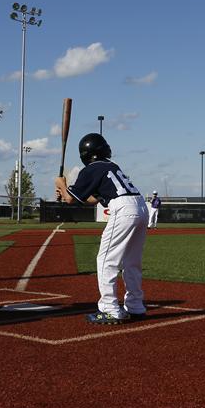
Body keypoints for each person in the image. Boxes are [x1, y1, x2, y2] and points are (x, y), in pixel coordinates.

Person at [54, 133, 149, 324]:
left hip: (123, 210)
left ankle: (109, 309)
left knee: (106, 260)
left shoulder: (91, 169)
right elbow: (91, 199)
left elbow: (72, 199)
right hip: (141, 207)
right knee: (131, 262)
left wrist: (62, 186)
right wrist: (65, 192)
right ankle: (136, 306)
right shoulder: (111, 167)